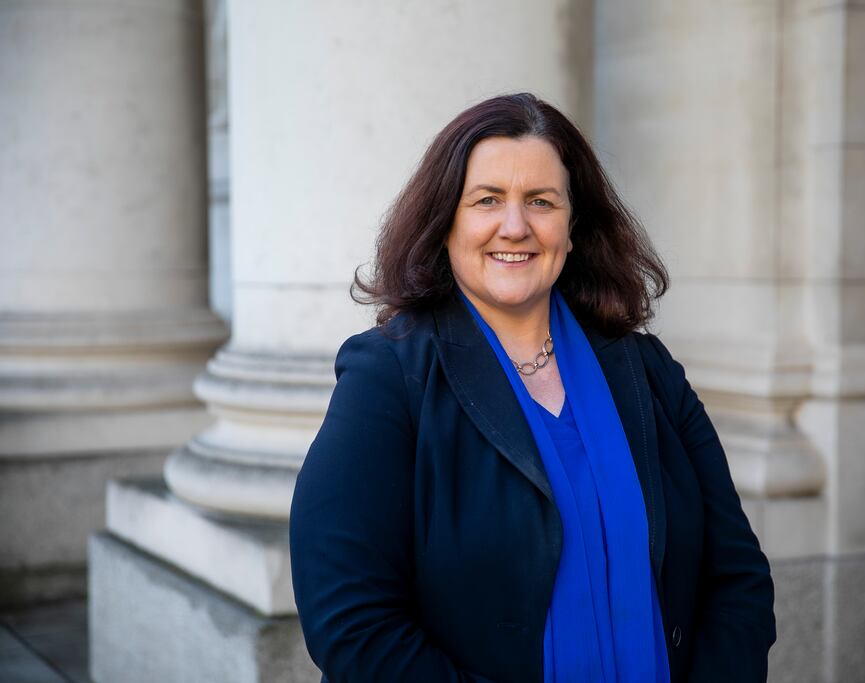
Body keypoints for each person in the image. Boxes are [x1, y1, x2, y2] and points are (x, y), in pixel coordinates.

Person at [289, 92, 775, 682]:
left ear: (573, 228)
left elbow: (738, 579)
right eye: (487, 199)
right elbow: (351, 621)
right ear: (446, 222)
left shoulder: (646, 370)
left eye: (541, 201)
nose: (514, 226)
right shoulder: (388, 378)